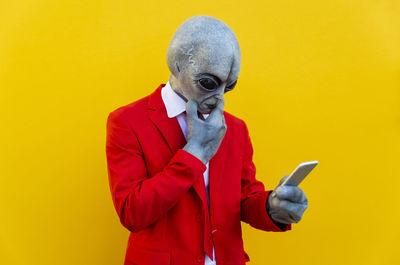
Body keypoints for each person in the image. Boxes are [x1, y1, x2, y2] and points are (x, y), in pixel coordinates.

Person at [106, 15, 308, 265]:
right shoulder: (128, 121)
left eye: (228, 87)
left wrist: (272, 207)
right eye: (208, 83)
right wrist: (195, 152)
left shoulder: (235, 128)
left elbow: (245, 198)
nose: (219, 98)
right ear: (177, 65)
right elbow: (132, 212)